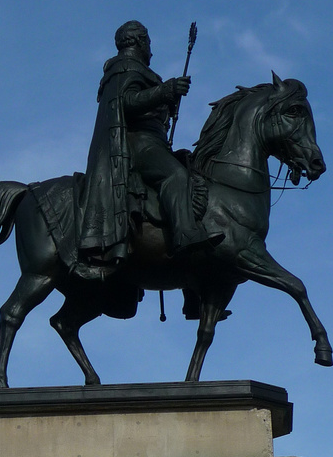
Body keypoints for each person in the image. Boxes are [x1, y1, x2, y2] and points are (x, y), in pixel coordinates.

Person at [75, 20, 223, 272]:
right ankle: (185, 237)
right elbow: (128, 103)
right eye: (149, 43)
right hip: (136, 143)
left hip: (152, 141)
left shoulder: (135, 70)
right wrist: (165, 91)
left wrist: (168, 102)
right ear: (139, 42)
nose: (151, 50)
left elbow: (144, 105)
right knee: (176, 176)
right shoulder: (125, 67)